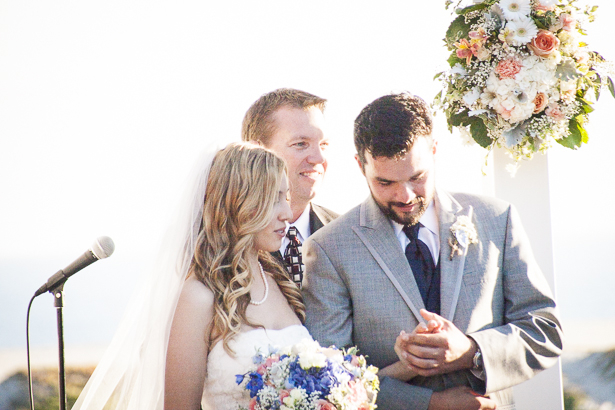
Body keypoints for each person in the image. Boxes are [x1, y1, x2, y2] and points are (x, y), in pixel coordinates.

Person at [302, 93, 564, 410]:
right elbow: (330, 377)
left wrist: (470, 351)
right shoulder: (328, 248)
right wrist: (431, 403)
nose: (405, 196)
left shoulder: (497, 219)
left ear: (435, 151)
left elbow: (545, 332)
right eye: (385, 182)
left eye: (417, 177)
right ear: (361, 166)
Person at [73, 143, 311, 410]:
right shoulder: (198, 296)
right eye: (274, 199)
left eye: (286, 197)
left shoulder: (279, 280)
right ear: (239, 203)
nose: (287, 214)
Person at [242, 88, 338, 287]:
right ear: (257, 151)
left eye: (324, 144)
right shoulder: (227, 237)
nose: (319, 158)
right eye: (301, 144)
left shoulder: (344, 234)